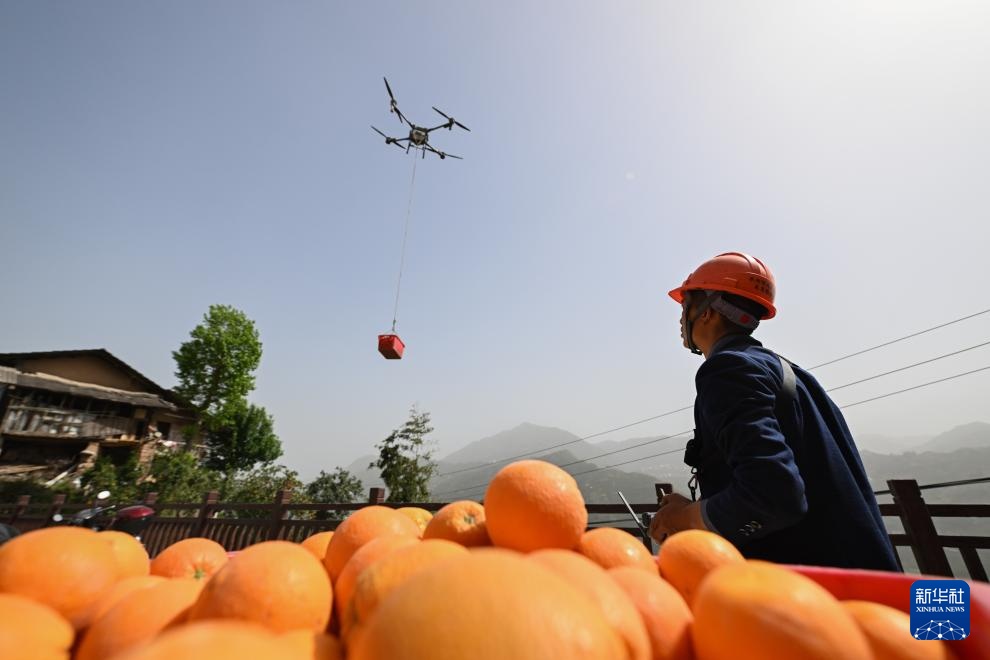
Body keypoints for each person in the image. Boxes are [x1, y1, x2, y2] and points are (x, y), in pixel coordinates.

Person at [648, 252, 899, 571]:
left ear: (708, 311)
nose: (680, 317)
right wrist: (697, 510)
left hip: (813, 594)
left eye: (685, 305)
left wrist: (686, 518)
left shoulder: (729, 369)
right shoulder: (789, 373)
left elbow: (771, 496)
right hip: (862, 574)